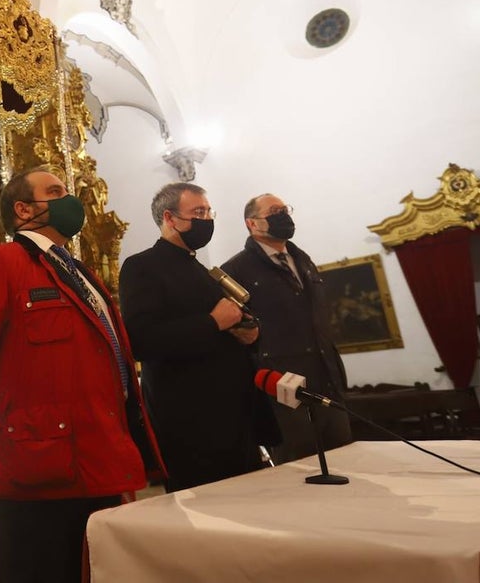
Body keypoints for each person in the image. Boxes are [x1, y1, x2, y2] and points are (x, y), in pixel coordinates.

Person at [0, 166, 163, 583]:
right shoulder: (0, 262)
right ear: (24, 209)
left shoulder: (80, 273)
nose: (69, 199)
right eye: (55, 191)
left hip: (99, 452)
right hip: (36, 461)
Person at [119, 182, 279, 492]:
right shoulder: (142, 267)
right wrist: (212, 322)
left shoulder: (201, 270)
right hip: (190, 421)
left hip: (234, 413)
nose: (206, 220)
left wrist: (249, 334)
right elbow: (141, 341)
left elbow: (226, 327)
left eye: (208, 211)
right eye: (198, 212)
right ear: (170, 218)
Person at [220, 194, 353, 463]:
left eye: (284, 210)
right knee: (299, 467)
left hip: (326, 377)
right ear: (252, 224)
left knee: (346, 459)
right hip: (282, 386)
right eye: (274, 211)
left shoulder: (302, 260)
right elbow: (236, 334)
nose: (283, 215)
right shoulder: (236, 269)